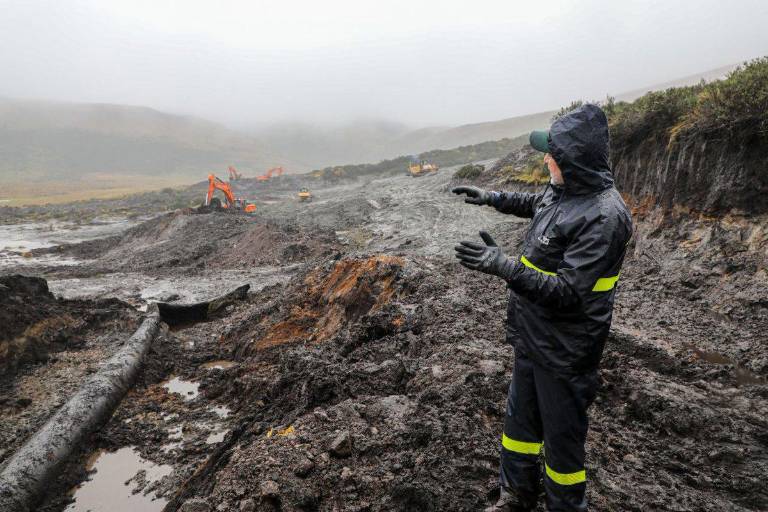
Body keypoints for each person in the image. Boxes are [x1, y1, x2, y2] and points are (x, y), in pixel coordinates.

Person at [452, 104, 632, 512]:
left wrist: (504, 266)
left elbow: (569, 291)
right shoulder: (565, 189)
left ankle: (566, 507)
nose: (546, 158)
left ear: (573, 160)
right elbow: (539, 204)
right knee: (520, 425)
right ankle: (516, 496)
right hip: (532, 335)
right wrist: (493, 198)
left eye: (552, 153)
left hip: (566, 348)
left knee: (562, 446)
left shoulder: (605, 217)